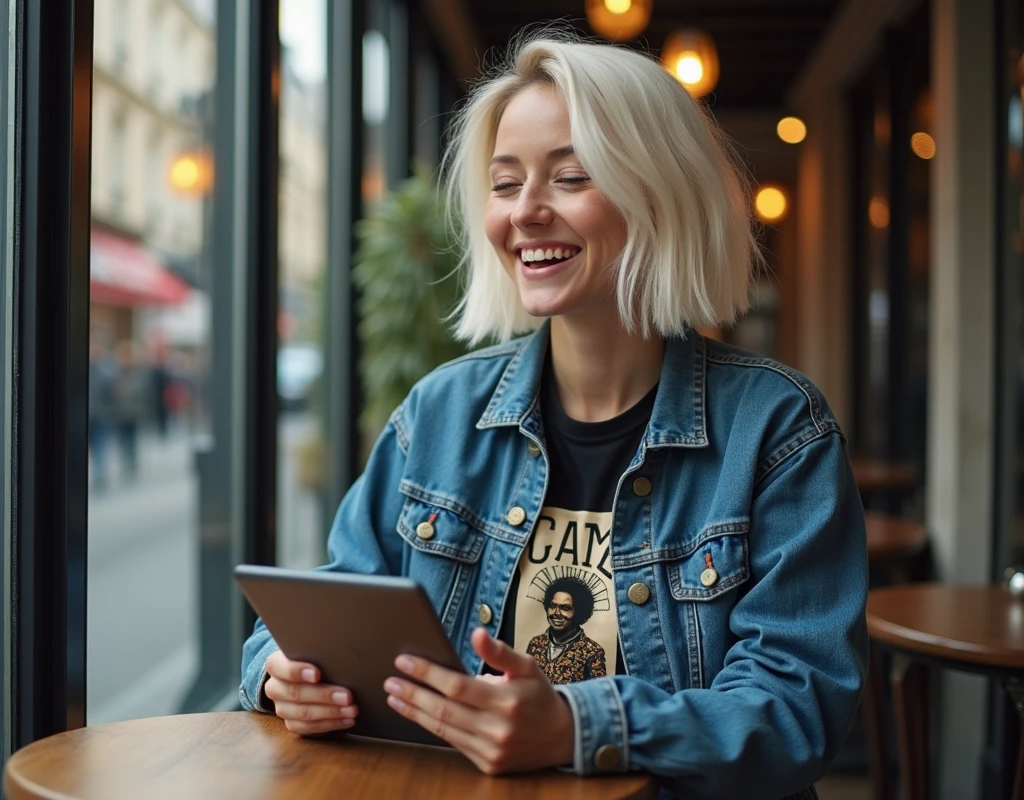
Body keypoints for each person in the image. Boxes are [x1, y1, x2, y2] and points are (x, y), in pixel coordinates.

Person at [239, 34, 866, 799]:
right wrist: (279, 674)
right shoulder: (438, 413)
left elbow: (794, 712)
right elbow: (330, 607)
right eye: (505, 186)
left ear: (661, 196)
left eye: (570, 177)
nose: (526, 213)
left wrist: (576, 728)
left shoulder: (775, 429)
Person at [110, 341, 146, 482]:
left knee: (132, 441)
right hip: (119, 413)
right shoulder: (115, 373)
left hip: (133, 413)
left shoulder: (138, 373)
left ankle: (132, 464)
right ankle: (126, 464)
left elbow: (143, 393)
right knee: (122, 441)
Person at [88, 339, 116, 492]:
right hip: (88, 419)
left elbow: (111, 397)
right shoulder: (81, 373)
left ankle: (100, 477)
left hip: (101, 417)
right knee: (93, 449)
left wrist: (109, 412)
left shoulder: (105, 374)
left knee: (100, 448)